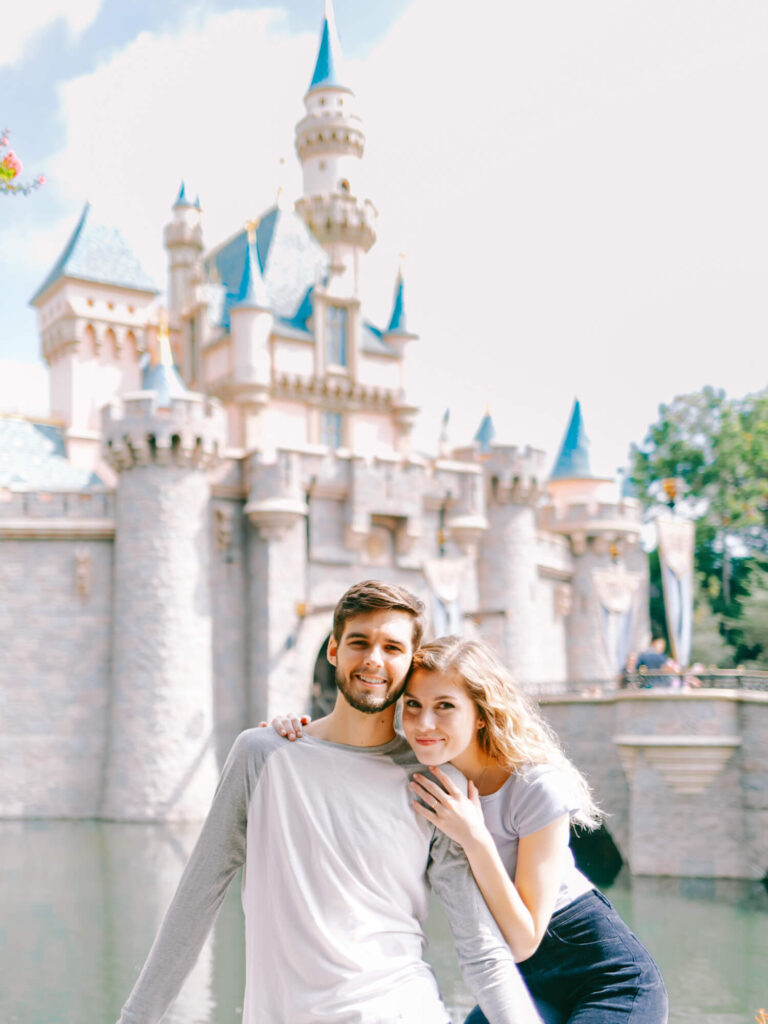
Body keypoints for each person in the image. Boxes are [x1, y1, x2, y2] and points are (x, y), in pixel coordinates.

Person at [115, 582, 540, 1024]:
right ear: (334, 650)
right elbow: (194, 903)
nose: (374, 659)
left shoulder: (435, 782)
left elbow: (481, 950)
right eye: (360, 642)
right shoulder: (262, 755)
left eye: (392, 647)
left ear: (409, 663)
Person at [402, 637, 668, 1024]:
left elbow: (525, 939)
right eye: (413, 705)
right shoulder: (430, 776)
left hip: (606, 979)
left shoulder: (533, 784)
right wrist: (294, 732)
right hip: (523, 980)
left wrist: (475, 838)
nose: (424, 723)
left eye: (445, 706)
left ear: (480, 713)